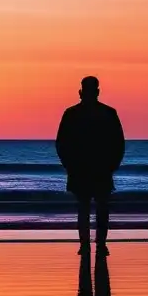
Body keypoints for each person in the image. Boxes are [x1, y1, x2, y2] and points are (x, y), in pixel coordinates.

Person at [55, 76, 125, 256]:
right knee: (99, 208)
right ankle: (98, 244)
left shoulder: (72, 114)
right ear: (97, 91)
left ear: (81, 91)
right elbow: (119, 143)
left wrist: (69, 164)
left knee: (85, 208)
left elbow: (61, 143)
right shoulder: (108, 113)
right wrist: (113, 164)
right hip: (96, 168)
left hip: (85, 169)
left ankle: (87, 244)